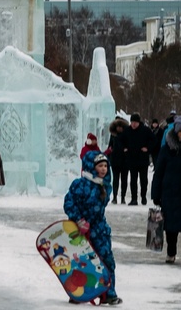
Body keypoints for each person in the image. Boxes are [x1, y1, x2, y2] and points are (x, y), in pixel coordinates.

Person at [63, 151, 121, 305]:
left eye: (105, 166)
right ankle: (78, 292)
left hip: (100, 229)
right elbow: (69, 203)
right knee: (81, 261)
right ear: (91, 166)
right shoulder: (79, 184)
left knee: (106, 260)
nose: (103, 169)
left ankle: (108, 292)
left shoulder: (105, 186)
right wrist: (78, 219)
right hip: (80, 229)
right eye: (100, 166)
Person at [152, 121, 181, 264]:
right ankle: (171, 252)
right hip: (170, 194)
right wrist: (155, 194)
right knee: (171, 227)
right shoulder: (166, 150)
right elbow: (158, 173)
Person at [121, 113, 153, 206]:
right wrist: (124, 148)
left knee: (143, 179)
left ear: (139, 122)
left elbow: (153, 140)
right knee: (133, 180)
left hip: (143, 159)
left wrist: (147, 148)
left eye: (135, 122)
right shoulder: (127, 131)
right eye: (132, 122)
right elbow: (120, 140)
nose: (133, 124)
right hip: (132, 159)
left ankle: (143, 197)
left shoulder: (145, 130)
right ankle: (134, 198)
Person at [107, 118, 128, 204]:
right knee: (115, 179)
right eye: (117, 127)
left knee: (124, 179)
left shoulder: (126, 135)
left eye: (120, 127)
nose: (119, 128)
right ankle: (115, 196)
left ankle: (123, 197)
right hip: (115, 159)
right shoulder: (113, 135)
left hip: (124, 160)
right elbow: (110, 146)